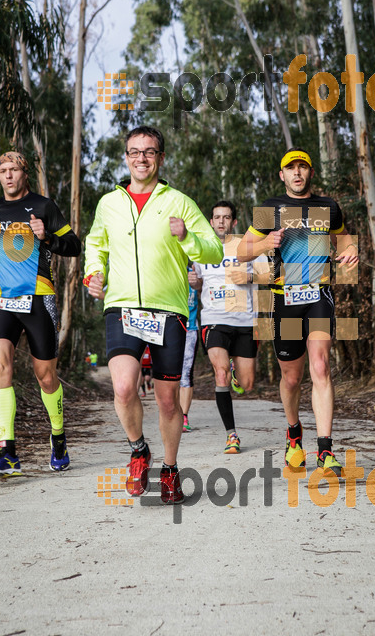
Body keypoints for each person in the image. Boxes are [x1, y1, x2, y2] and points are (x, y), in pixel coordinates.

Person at [83, 126, 223, 504]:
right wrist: (94, 274)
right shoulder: (109, 203)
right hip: (122, 306)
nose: (141, 158)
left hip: (168, 310)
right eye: (134, 152)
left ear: (160, 158)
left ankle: (171, 470)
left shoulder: (178, 202)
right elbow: (95, 243)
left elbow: (212, 250)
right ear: (126, 157)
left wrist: (187, 239)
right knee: (125, 388)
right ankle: (138, 450)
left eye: (149, 152)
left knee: (166, 401)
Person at [237, 148, 358, 476]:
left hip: (319, 294)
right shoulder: (269, 208)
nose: (297, 172)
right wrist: (265, 244)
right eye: (291, 168)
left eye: (302, 166)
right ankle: (293, 435)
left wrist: (351, 252)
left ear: (310, 173)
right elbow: (241, 251)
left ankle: (325, 450)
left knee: (320, 366)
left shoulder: (327, 207)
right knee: (291, 377)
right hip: (283, 298)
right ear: (282, 175)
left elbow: (346, 241)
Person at [0, 151, 81, 476]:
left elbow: (74, 246)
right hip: (2, 297)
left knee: (46, 376)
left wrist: (46, 237)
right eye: (3, 170)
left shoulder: (44, 206)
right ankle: (7, 453)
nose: (8, 175)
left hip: (37, 295)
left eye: (14, 170)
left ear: (25, 174)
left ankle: (59, 437)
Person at [190, 201, 267, 454]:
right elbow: (199, 283)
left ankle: (236, 370)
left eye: (226, 217)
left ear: (234, 222)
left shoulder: (248, 246)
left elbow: (272, 273)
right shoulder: (202, 250)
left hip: (244, 320)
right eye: (216, 217)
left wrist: (250, 277)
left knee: (247, 384)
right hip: (214, 320)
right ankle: (231, 434)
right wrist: (195, 282)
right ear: (211, 222)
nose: (221, 221)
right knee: (219, 372)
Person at [180, 269, 199, 432]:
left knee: (185, 375)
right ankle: (170, 413)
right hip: (169, 327)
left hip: (190, 329)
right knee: (168, 375)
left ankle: (183, 416)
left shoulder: (195, 269)